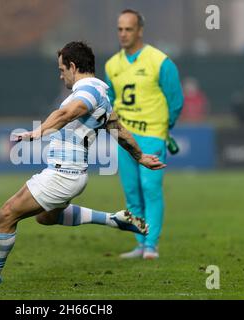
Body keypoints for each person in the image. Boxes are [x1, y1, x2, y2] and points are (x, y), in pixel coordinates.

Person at [0, 41, 166, 285]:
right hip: (72, 175)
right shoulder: (101, 94)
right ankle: (114, 219)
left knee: (6, 214)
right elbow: (118, 130)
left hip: (62, 175)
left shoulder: (87, 91)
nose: (60, 75)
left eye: (61, 69)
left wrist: (39, 131)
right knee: (45, 218)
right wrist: (139, 156)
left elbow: (66, 113)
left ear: (73, 66)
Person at [105, 9, 184, 259]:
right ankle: (140, 243)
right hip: (124, 137)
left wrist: (165, 128)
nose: (123, 34)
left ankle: (151, 245)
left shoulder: (160, 62)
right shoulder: (111, 65)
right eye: (120, 29)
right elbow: (109, 102)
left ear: (140, 30)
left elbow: (176, 100)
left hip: (152, 134)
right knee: (132, 191)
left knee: (150, 187)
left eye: (129, 29)